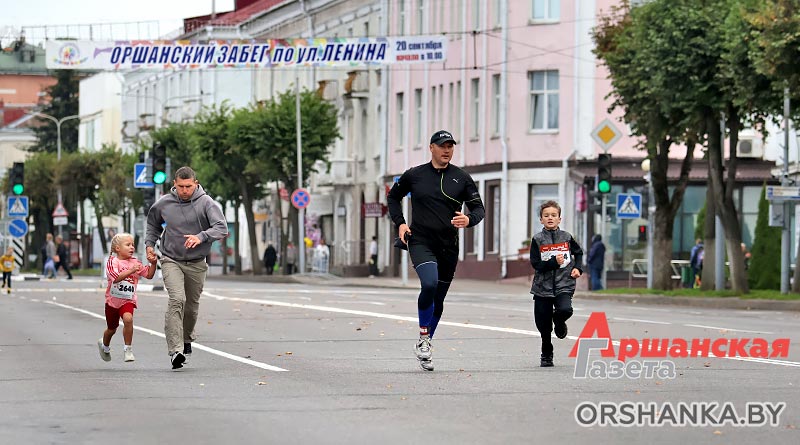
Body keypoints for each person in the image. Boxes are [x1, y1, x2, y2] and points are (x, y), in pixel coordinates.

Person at [387, 130, 485, 372]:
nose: (447, 150)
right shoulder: (414, 175)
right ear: (431, 147)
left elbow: (479, 209)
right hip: (420, 241)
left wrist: (469, 219)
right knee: (429, 284)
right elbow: (393, 197)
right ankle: (423, 336)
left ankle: (425, 343)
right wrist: (400, 223)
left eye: (450, 146)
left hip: (448, 246)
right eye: (442, 146)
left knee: (438, 299)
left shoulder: (462, 178)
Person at [145, 166, 228, 370]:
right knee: (177, 300)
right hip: (171, 259)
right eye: (181, 186)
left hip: (197, 262)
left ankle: (186, 339)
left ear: (195, 184)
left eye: (188, 186)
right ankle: (176, 350)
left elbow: (221, 227)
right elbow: (153, 224)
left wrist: (201, 237)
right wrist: (149, 245)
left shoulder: (206, 203)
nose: (184, 190)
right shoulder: (164, 203)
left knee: (191, 307)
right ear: (174, 184)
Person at [529, 200, 583, 368]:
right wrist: (553, 262)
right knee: (543, 325)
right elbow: (536, 264)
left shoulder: (566, 237)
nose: (550, 218)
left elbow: (578, 253)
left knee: (565, 309)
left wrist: (578, 268)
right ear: (541, 219)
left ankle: (559, 321)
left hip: (564, 283)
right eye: (546, 215)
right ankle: (546, 353)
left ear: (559, 219)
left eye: (554, 215)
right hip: (542, 287)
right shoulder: (537, 239)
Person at [98, 233, 157, 363]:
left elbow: (149, 275)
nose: (132, 247)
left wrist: (153, 263)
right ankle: (105, 345)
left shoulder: (135, 262)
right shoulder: (112, 262)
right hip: (112, 302)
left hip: (128, 300)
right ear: (117, 248)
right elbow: (115, 278)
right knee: (111, 329)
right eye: (128, 245)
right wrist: (131, 271)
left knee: (128, 319)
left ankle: (128, 349)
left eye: (133, 245)